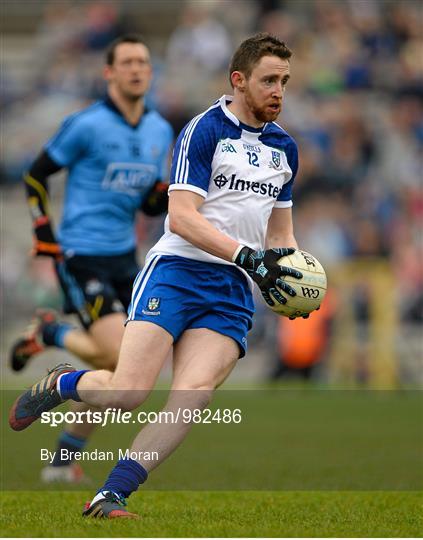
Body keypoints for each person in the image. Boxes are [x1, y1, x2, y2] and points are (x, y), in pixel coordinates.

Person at [10, 32, 304, 518]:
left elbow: (282, 234)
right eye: (269, 80)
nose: (279, 91)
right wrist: (249, 258)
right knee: (128, 392)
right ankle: (62, 385)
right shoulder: (204, 129)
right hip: (176, 271)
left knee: (192, 397)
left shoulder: (286, 149)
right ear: (239, 81)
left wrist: (291, 280)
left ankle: (112, 494)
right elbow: (181, 217)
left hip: (229, 291)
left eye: (285, 82)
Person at [9, 34, 173, 483]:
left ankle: (62, 460)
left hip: (126, 257)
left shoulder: (161, 131)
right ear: (109, 72)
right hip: (81, 254)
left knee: (118, 370)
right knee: (123, 359)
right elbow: (36, 175)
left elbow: (149, 204)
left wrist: (166, 196)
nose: (137, 69)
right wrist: (43, 230)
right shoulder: (86, 124)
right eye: (127, 62)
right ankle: (53, 332)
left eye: (144, 61)